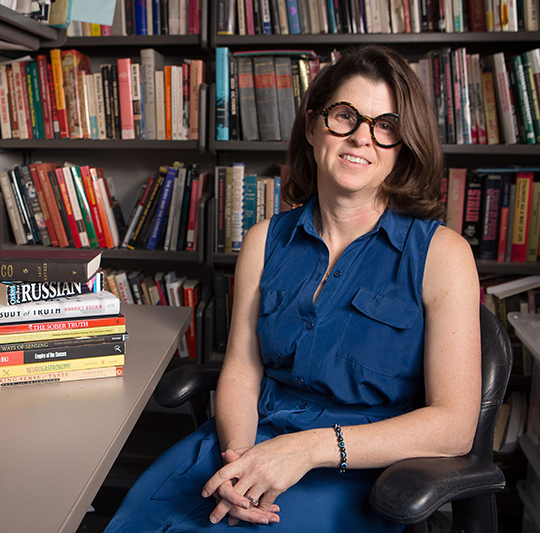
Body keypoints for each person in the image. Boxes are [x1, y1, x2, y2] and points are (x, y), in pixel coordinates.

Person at [104, 45, 481, 532]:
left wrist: (307, 449)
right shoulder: (263, 241)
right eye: (346, 116)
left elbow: (454, 426)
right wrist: (239, 464)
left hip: (358, 467)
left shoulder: (443, 255)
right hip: (245, 441)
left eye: (385, 125)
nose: (362, 138)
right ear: (312, 126)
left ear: (403, 144)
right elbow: (241, 367)